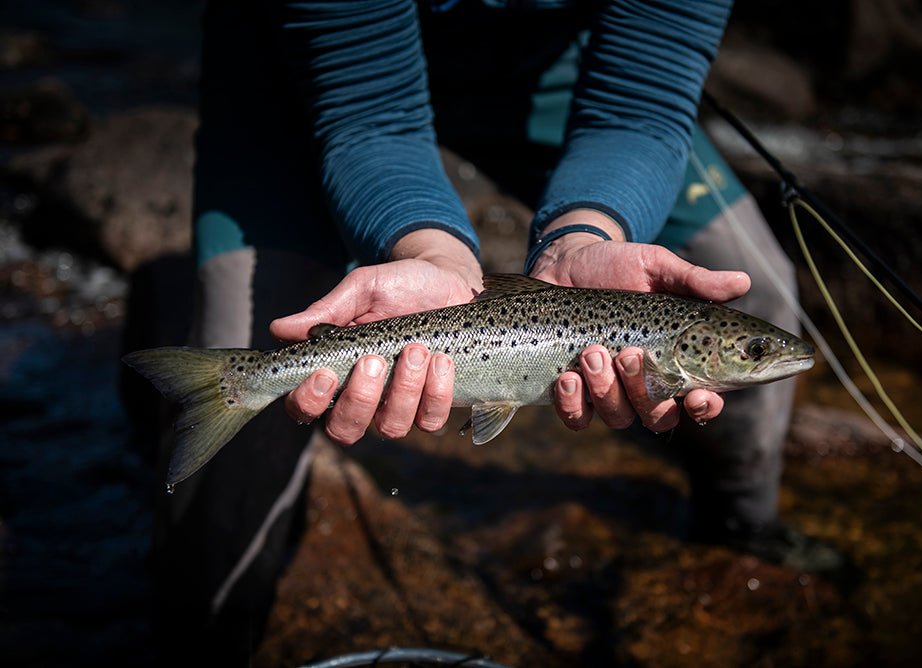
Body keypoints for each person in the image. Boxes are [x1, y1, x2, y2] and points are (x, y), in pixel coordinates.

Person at [139, 0, 840, 664]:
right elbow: (369, 117)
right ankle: (205, 641)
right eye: (747, 352)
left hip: (553, 74)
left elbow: (640, 107)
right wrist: (431, 253)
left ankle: (741, 529)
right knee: (240, 424)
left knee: (767, 288)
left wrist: (581, 235)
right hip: (310, 77)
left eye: (744, 351)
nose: (759, 354)